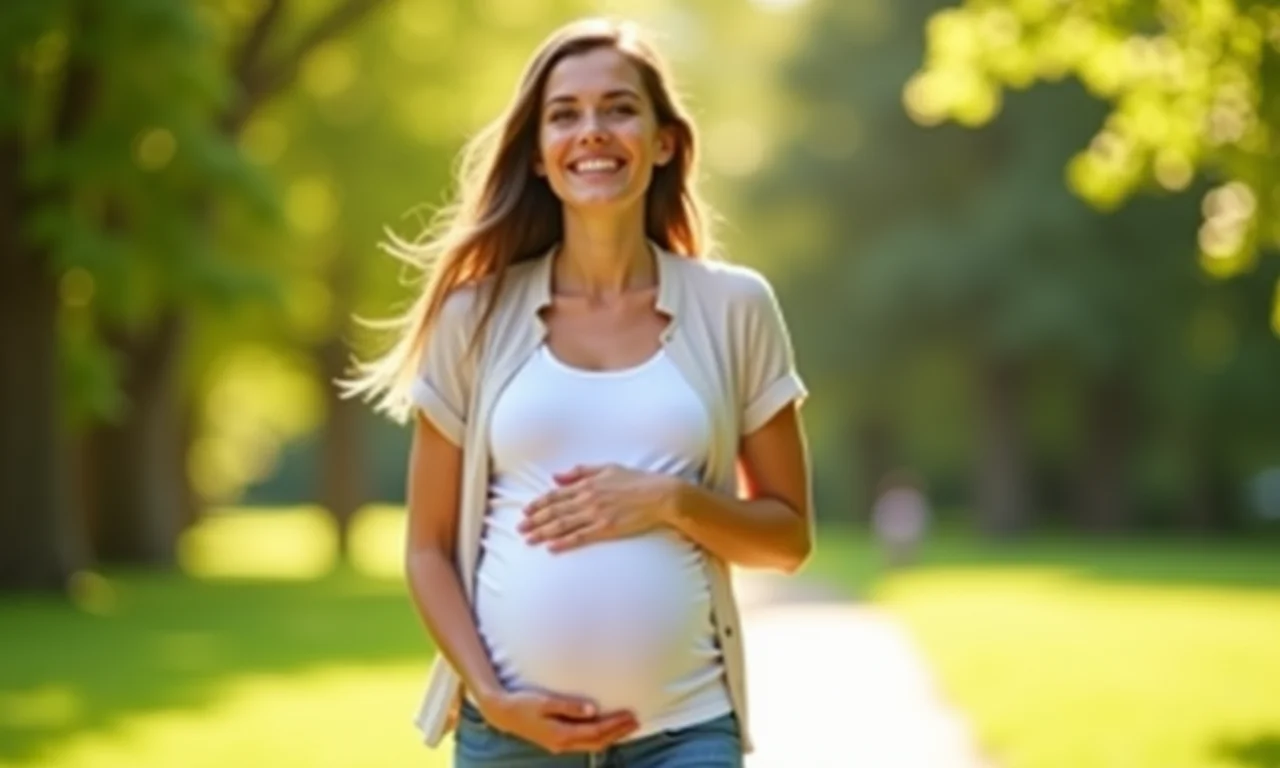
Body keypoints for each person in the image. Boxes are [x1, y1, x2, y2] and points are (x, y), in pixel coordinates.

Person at [342, 17, 812, 768]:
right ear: (538, 154)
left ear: (663, 142)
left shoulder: (735, 308)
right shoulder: (476, 317)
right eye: (566, 114)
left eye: (619, 108)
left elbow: (788, 538)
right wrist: (493, 699)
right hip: (510, 740)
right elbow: (428, 549)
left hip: (685, 733)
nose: (592, 131)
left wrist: (671, 501)